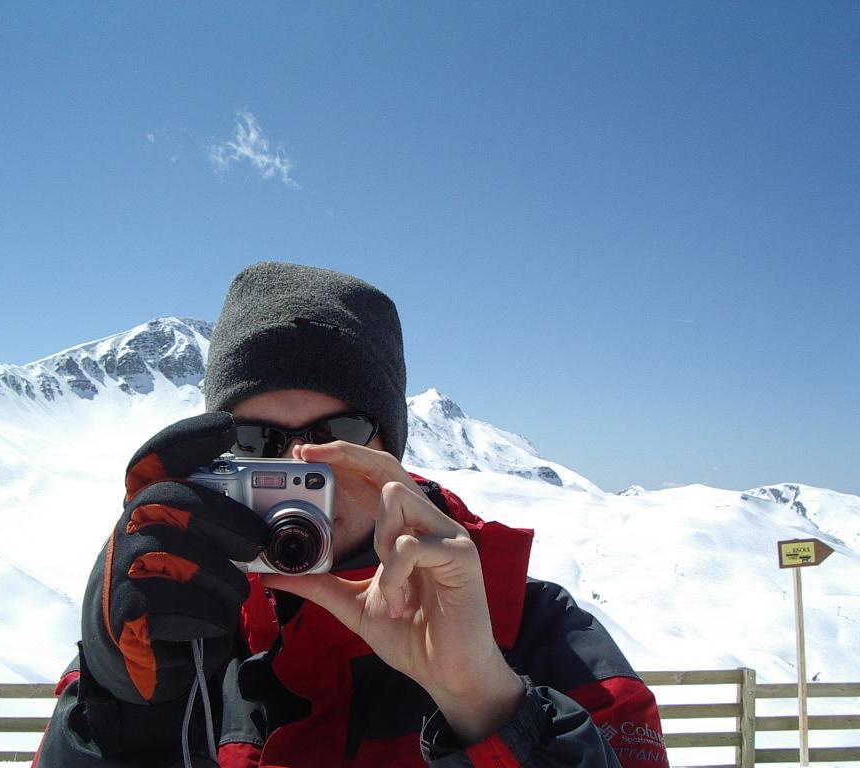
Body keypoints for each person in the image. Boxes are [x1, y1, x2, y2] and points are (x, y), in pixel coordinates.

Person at [34, 262, 669, 768]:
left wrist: (485, 699)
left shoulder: (541, 633)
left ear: (391, 446)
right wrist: (117, 715)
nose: (301, 466)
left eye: (339, 431)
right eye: (257, 440)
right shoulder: (172, 620)